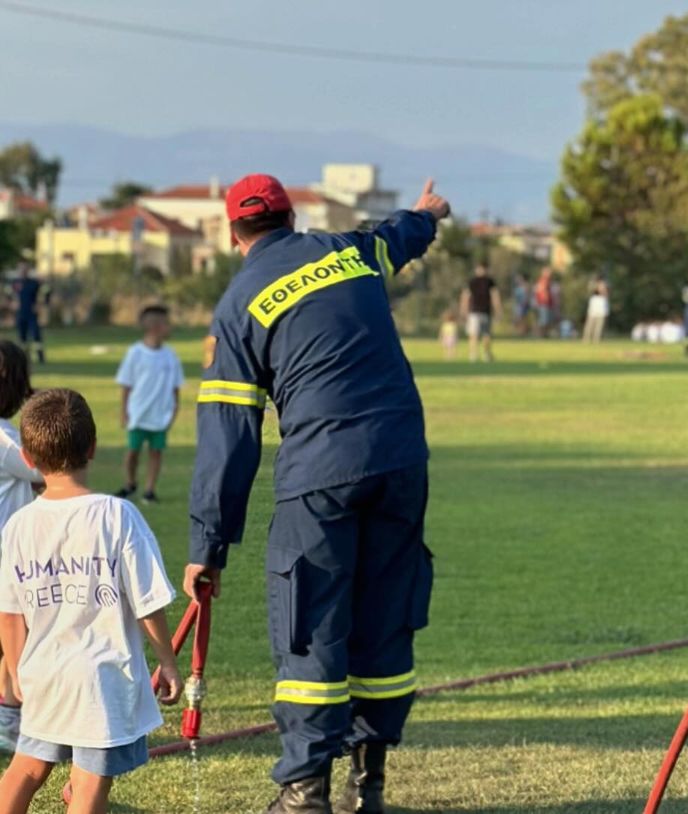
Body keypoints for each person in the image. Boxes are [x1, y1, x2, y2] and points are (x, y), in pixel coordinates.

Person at [185, 174, 448, 813]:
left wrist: (208, 546)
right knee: (384, 620)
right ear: (291, 217)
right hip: (401, 459)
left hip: (321, 474)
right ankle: (369, 785)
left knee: (310, 628)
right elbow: (396, 238)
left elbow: (230, 439)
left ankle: (304, 794)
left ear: (231, 232)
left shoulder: (240, 302)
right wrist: (428, 214)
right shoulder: (344, 250)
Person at [0, 388, 182, 814]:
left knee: (25, 771)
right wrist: (168, 661)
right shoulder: (118, 516)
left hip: (42, 673)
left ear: (27, 458)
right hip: (103, 681)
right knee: (88, 786)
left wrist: (15, 671)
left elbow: (9, 612)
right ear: (93, 447)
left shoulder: (18, 526)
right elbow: (148, 602)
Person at [0, 342, 39, 752]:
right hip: (8, 557)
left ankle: (8, 716)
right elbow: (51, 468)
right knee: (15, 635)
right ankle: (10, 717)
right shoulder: (7, 441)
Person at [115, 305, 184, 504]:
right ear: (155, 327)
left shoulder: (171, 356)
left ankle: (150, 490)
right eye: (166, 324)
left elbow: (176, 387)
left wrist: (174, 410)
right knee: (133, 451)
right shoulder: (135, 353)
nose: (170, 327)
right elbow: (126, 385)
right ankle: (130, 483)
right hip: (138, 413)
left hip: (160, 415)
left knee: (156, 452)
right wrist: (124, 411)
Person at [460, 265, 501, 363]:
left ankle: (476, 354)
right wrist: (498, 309)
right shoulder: (483, 282)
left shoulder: (483, 281)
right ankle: (482, 354)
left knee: (478, 335)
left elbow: (464, 296)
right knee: (484, 334)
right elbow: (495, 296)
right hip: (479, 311)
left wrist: (463, 310)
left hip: (478, 312)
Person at [11, 265, 48, 365]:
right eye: (21, 270)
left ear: (28, 271)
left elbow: (45, 292)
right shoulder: (16, 283)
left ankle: (41, 358)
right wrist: (12, 303)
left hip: (32, 314)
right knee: (22, 338)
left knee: (36, 335)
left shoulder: (34, 282)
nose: (23, 272)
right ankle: (24, 358)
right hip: (21, 313)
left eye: (25, 270)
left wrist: (40, 304)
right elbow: (10, 295)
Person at [533, 268, 553, 337]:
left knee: (545, 320)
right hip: (543, 303)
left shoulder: (546, 280)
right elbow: (541, 291)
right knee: (543, 320)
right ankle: (540, 335)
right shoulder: (543, 280)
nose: (550, 274)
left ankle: (544, 335)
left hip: (545, 303)